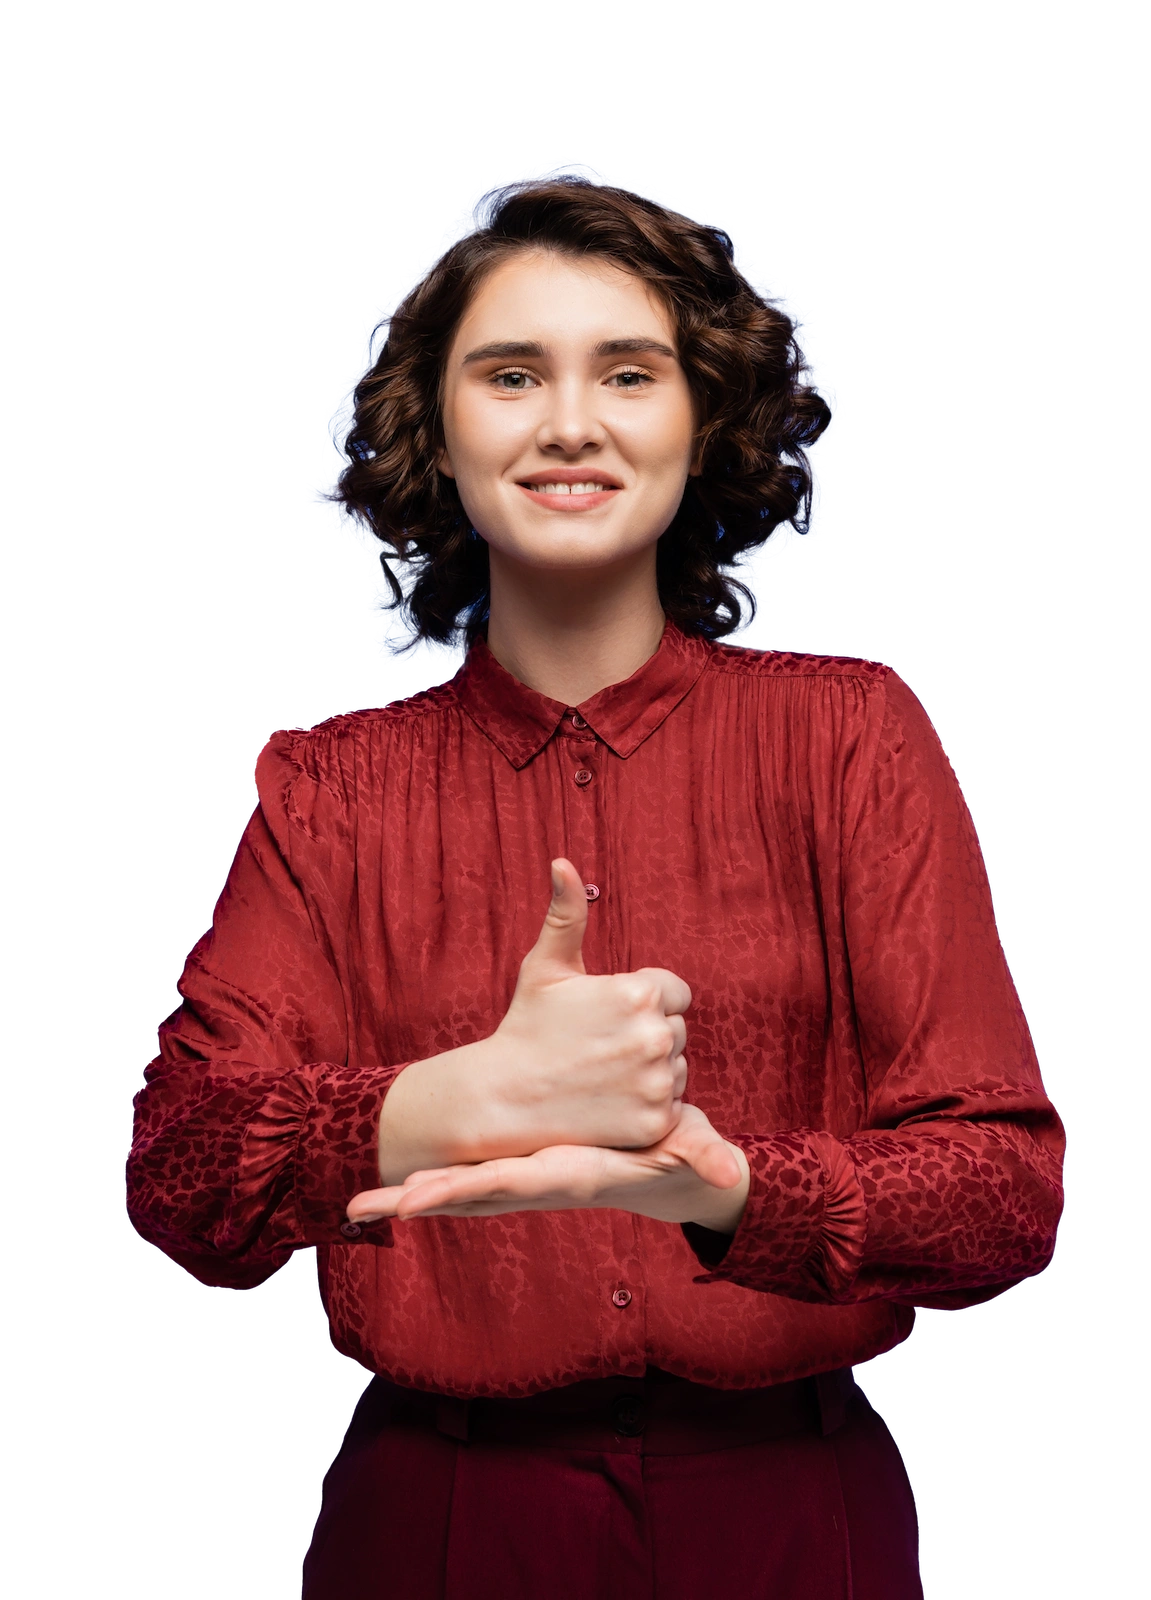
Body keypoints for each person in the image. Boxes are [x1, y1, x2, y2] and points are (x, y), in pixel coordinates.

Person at [125, 162, 1065, 1599]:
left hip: (790, 1512)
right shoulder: (325, 789)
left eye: (628, 372)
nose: (569, 422)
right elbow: (182, 1183)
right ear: (435, 432)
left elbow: (1003, 1196)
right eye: (511, 374)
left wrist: (728, 1189)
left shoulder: (851, 736)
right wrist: (434, 1107)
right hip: (436, 1515)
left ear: (704, 420)